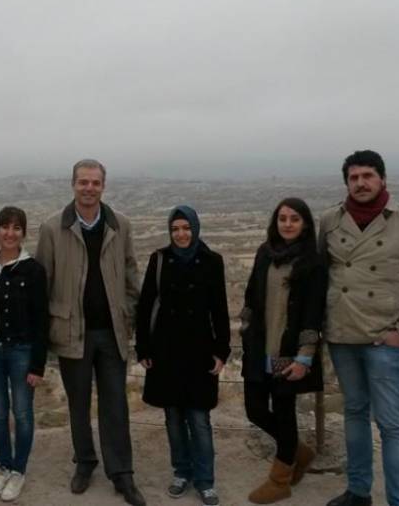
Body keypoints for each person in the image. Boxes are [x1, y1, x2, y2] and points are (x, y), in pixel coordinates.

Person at [320, 150, 399, 506]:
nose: (361, 183)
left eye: (367, 175)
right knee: (354, 413)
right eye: (354, 177)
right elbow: (319, 275)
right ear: (346, 183)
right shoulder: (330, 220)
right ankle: (358, 492)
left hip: (384, 338)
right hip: (342, 335)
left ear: (382, 179)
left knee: (391, 425)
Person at [35, 158, 146, 506]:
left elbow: (131, 276)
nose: (89, 188)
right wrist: (45, 332)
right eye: (83, 182)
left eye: (95, 182)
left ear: (103, 186)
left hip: (112, 331)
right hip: (72, 332)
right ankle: (84, 462)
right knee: (78, 403)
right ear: (73, 184)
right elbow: (42, 284)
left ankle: (122, 473)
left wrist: (130, 316)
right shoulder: (52, 228)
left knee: (116, 404)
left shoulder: (120, 225)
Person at [135, 205, 231, 506]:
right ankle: (181, 472)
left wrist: (221, 351)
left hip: (199, 352)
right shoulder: (159, 259)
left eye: (186, 228)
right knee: (173, 419)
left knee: (199, 420)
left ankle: (205, 480)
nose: (181, 234)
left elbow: (220, 309)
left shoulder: (212, 261)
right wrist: (143, 348)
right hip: (166, 352)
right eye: (175, 229)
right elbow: (146, 304)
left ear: (195, 228)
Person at [240, 198, 326, 504]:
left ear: (305, 224)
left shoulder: (313, 263)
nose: (287, 224)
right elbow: (251, 294)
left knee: (283, 412)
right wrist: (246, 325)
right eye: (283, 218)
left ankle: (280, 481)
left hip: (286, 354)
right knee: (255, 409)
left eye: (294, 219)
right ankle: (298, 452)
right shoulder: (265, 253)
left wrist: (305, 356)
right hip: (259, 348)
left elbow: (314, 313)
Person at [0, 206, 49, 502]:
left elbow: (42, 320)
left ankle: (19, 471)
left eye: (16, 228)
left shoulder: (33, 270)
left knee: (22, 413)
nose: (10, 233)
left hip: (21, 350)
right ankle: (4, 467)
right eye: (5, 227)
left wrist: (38, 365)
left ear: (24, 233)